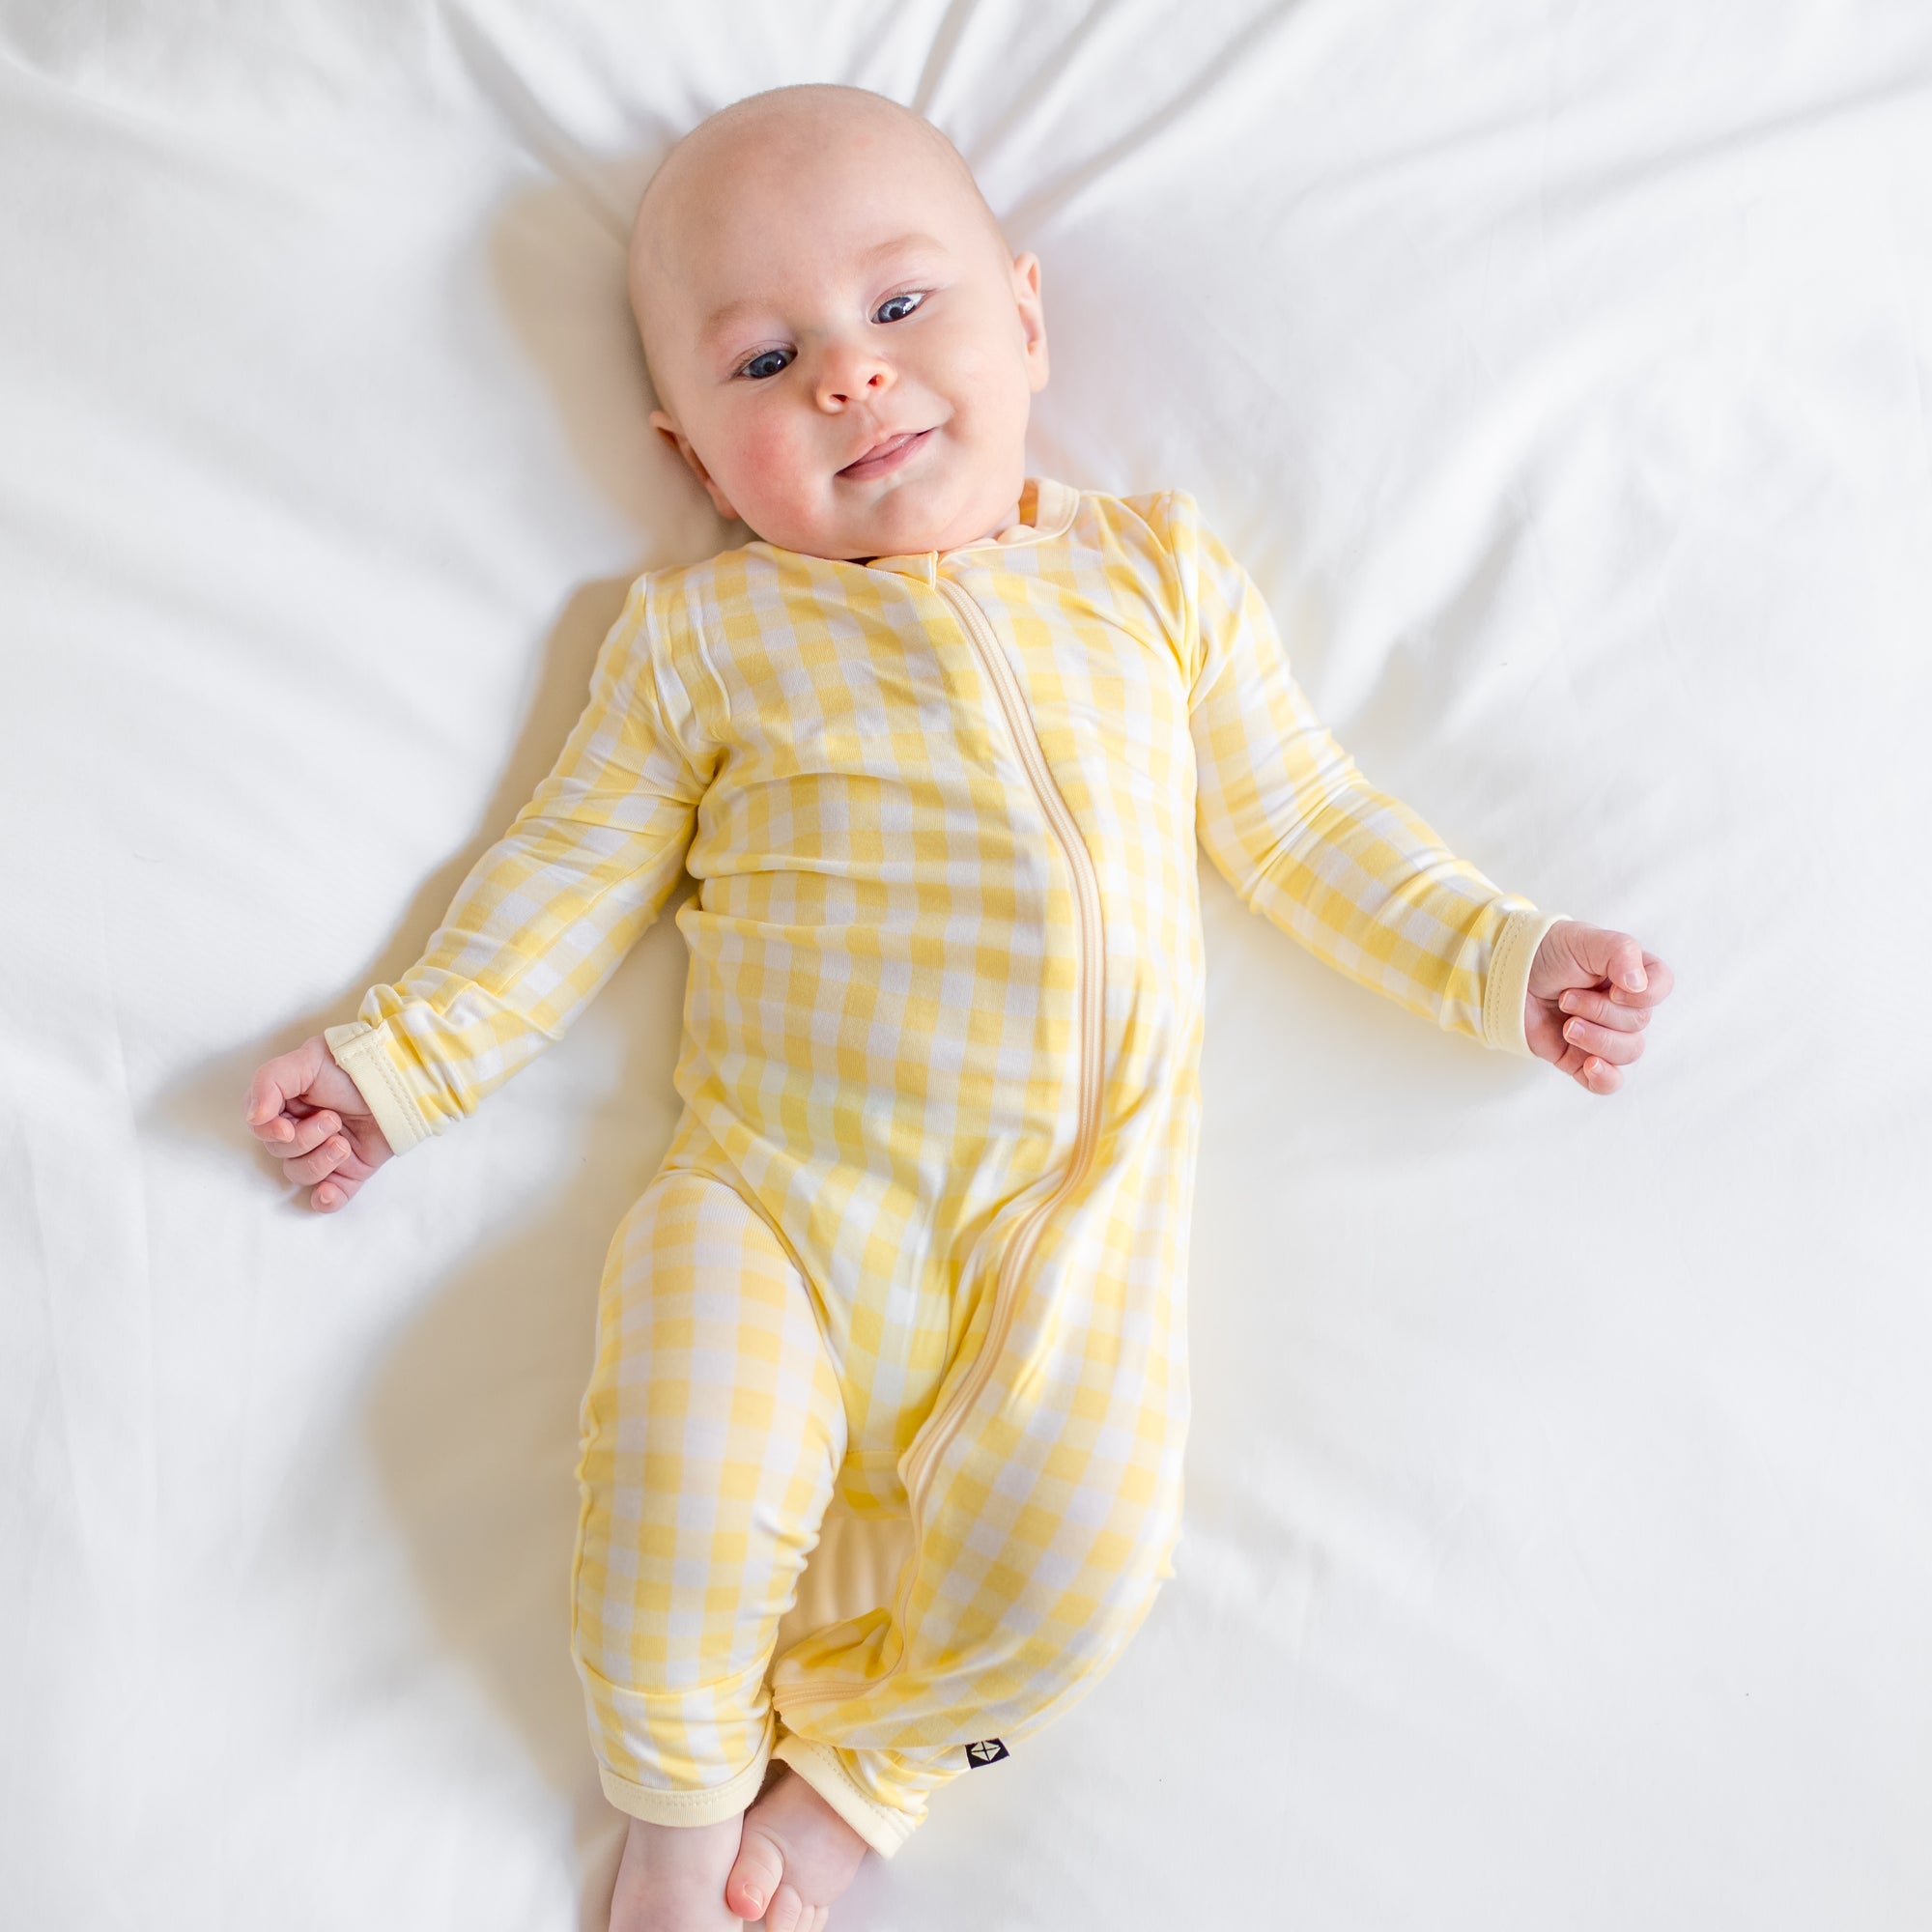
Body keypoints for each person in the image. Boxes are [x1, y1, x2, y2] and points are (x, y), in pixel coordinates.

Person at [243, 83, 1672, 1932]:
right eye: (769, 359)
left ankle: (854, 1780)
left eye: (902, 310)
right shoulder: (705, 640)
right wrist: (395, 1065)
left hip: (1068, 1239)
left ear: (1024, 320)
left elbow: (1307, 822)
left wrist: (1506, 958)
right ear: (690, 453)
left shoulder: (1152, 582)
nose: (849, 375)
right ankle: (677, 1823)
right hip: (778, 1205)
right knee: (672, 1489)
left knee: (1086, 1568)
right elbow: (554, 890)